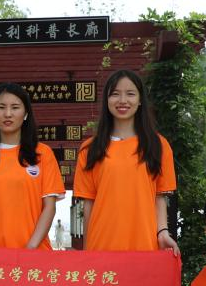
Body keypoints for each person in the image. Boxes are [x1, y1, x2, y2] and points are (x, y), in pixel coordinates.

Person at [73, 69, 179, 254]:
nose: (122, 100)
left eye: (130, 94)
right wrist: (87, 252)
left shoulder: (158, 145)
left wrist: (162, 231)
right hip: (101, 245)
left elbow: (159, 196)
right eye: (115, 94)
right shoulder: (90, 149)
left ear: (140, 100)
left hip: (144, 244)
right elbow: (89, 204)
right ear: (107, 100)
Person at [0, 83, 65, 250]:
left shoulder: (43, 154)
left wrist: (31, 248)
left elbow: (49, 207)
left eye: (15, 107)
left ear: (26, 113)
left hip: (34, 254)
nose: (8, 114)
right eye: (1, 107)